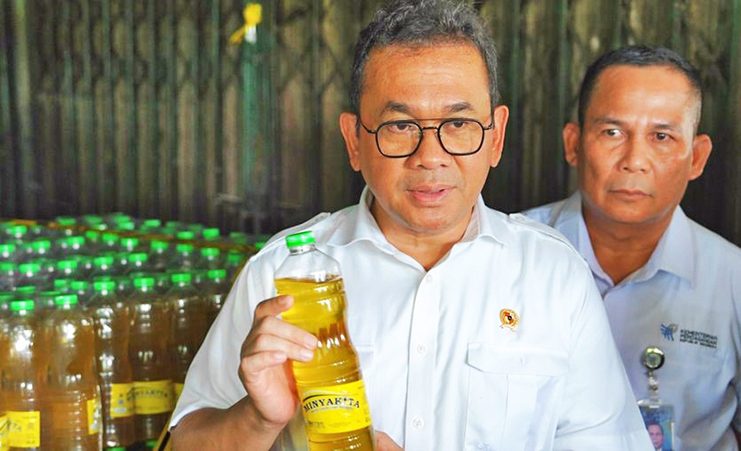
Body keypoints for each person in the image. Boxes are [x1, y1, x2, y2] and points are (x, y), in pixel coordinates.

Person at [169, 1, 652, 449]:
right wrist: (257, 418)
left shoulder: (553, 275)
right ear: (354, 141)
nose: (430, 157)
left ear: (496, 137)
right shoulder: (284, 275)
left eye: (458, 125)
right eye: (400, 126)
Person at [524, 45, 741, 450]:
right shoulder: (506, 254)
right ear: (573, 144)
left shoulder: (733, 282)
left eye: (661, 136)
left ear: (696, 157)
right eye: (613, 132)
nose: (634, 160)